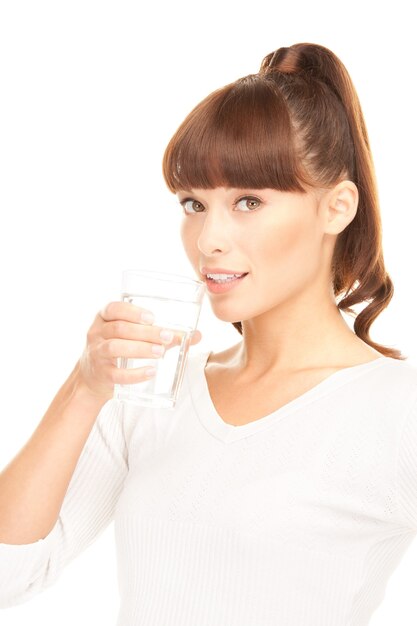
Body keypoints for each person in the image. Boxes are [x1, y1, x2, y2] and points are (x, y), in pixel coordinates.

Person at [1, 42, 417, 626]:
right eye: (194, 203)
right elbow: (10, 573)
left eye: (248, 200)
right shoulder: (150, 392)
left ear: (337, 207)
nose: (208, 239)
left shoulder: (396, 410)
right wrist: (85, 388)